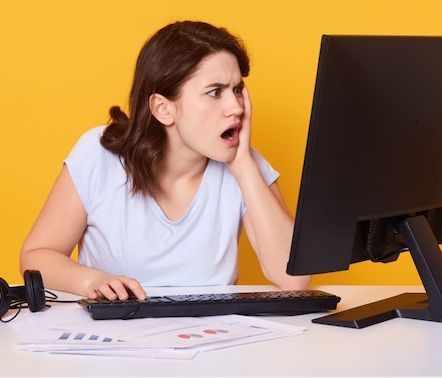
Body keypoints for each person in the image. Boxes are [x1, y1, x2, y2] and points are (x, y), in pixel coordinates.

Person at [19, 21, 311, 301]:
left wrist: (244, 166)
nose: (236, 107)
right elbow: (36, 257)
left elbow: (294, 279)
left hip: (212, 339)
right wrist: (91, 281)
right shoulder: (98, 155)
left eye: (237, 90)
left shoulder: (245, 165)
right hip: (115, 339)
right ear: (163, 109)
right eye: (215, 92)